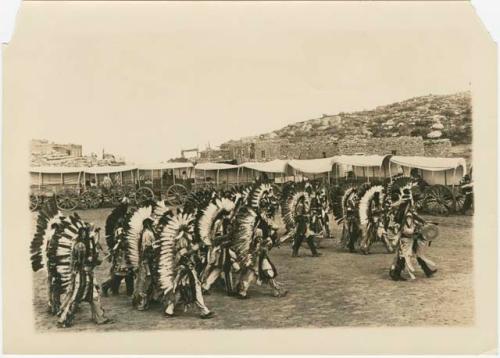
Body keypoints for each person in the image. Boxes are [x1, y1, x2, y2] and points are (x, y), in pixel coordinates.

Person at [57, 226, 112, 327]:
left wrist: (94, 261)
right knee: (76, 298)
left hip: (87, 276)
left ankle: (99, 318)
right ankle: (64, 319)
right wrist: (94, 261)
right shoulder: (80, 245)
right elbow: (81, 262)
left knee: (94, 297)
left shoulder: (83, 244)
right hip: (82, 277)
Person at [389, 199, 437, 281]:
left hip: (409, 238)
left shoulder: (404, 214)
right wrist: (416, 231)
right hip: (407, 239)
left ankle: (427, 271)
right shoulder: (408, 215)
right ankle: (396, 274)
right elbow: (406, 229)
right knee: (404, 255)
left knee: (416, 254)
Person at [101, 219, 134, 297]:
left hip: (126, 256)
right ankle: (106, 286)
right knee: (120, 275)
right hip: (122, 257)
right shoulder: (120, 231)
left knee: (128, 275)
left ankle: (130, 291)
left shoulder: (126, 230)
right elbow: (119, 242)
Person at [132, 218, 156, 310]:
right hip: (146, 261)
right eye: (152, 224)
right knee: (145, 281)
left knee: (143, 281)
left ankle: (143, 301)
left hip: (145, 260)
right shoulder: (147, 233)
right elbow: (147, 248)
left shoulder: (144, 233)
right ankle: (141, 303)